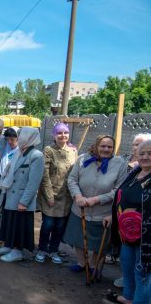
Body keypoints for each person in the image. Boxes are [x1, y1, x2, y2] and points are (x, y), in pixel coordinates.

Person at [63, 135, 127, 272]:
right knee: (78, 238)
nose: (106, 149)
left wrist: (95, 200)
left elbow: (119, 190)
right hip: (80, 208)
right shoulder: (83, 159)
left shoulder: (120, 164)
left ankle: (93, 265)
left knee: (100, 243)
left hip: (103, 212)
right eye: (103, 146)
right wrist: (78, 195)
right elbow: (72, 179)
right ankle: (81, 263)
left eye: (110, 147)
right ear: (96, 146)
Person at [106, 139, 151, 304]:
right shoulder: (134, 172)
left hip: (146, 239)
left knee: (143, 274)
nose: (145, 157)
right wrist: (113, 216)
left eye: (150, 153)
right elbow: (122, 198)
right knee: (127, 266)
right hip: (127, 235)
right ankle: (128, 297)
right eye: (142, 153)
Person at [0, 127, 45, 262]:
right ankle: (9, 245)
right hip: (10, 194)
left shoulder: (36, 155)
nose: (19, 138)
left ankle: (17, 251)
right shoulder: (20, 152)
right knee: (10, 221)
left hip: (21, 198)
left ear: (28, 137)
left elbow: (34, 182)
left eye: (21, 135)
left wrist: (24, 201)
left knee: (19, 224)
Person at [35, 123, 78, 264]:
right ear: (54, 135)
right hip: (51, 194)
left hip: (66, 196)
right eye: (60, 133)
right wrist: (49, 195)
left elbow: (76, 173)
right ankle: (42, 249)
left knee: (60, 226)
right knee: (48, 224)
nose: (63, 135)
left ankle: (54, 250)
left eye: (65, 132)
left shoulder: (73, 151)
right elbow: (44, 174)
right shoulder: (48, 150)